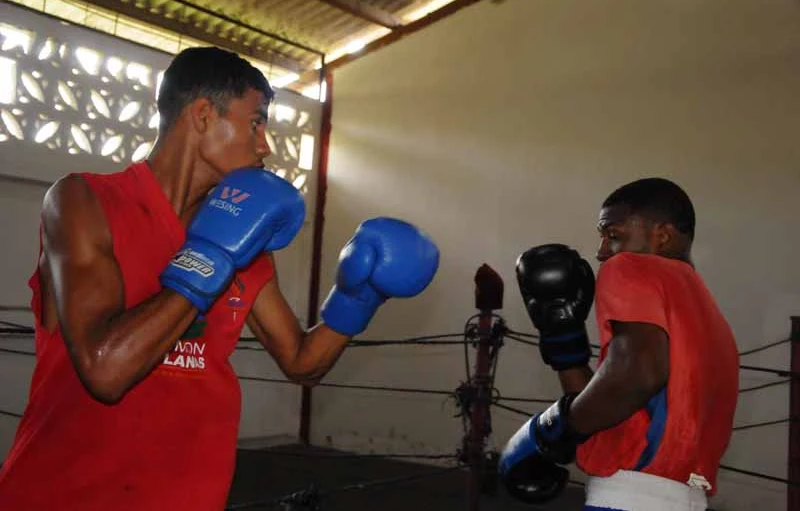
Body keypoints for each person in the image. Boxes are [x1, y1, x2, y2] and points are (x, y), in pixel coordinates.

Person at [0, 46, 439, 510]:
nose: (266, 144)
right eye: (256, 122)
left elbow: (301, 361)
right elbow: (106, 371)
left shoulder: (248, 243)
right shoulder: (84, 202)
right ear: (204, 116)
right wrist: (211, 256)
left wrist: (357, 298)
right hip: (60, 496)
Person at [498, 178, 739, 510]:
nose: (601, 253)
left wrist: (552, 434)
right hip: (686, 497)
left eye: (613, 236)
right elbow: (621, 400)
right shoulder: (710, 313)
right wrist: (563, 338)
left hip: (628, 494)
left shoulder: (630, 267)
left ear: (663, 236)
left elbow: (638, 375)